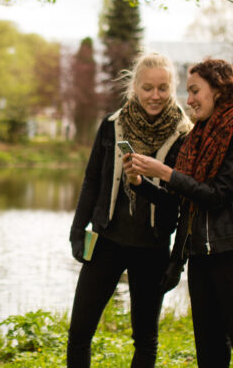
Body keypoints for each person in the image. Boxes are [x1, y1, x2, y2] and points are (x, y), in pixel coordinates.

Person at [125, 58, 233, 368]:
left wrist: (165, 172)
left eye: (195, 91)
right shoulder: (197, 139)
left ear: (219, 90)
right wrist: (140, 182)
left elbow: (217, 195)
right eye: (188, 92)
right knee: (210, 357)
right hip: (202, 260)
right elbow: (181, 201)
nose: (188, 100)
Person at [67, 52, 193, 368]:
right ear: (135, 87)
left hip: (152, 248)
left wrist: (176, 261)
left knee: (145, 339)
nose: (155, 95)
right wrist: (77, 231)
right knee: (79, 333)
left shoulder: (184, 135)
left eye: (163, 88)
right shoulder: (112, 125)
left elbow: (180, 203)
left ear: (172, 87)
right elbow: (92, 180)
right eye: (147, 87)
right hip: (106, 239)